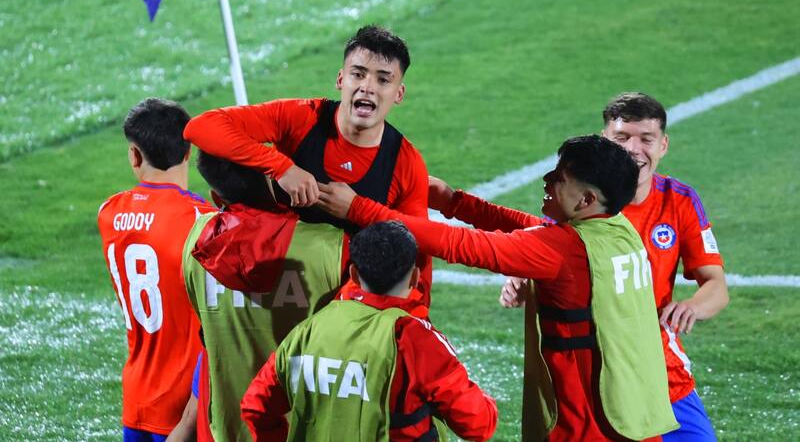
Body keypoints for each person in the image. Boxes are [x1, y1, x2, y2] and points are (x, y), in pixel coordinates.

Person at [318, 135, 679, 441]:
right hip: (636, 413)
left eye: (559, 177)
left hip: (588, 422)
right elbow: (531, 228)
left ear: (585, 200)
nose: (547, 178)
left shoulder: (564, 251)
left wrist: (358, 208)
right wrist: (454, 202)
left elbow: (458, 245)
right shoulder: (618, 229)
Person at [447, 93, 726, 440]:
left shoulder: (679, 200)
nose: (633, 149)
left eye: (646, 139)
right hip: (602, 378)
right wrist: (526, 280)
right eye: (622, 138)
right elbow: (544, 245)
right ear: (604, 141)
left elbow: (716, 285)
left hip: (664, 372)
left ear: (663, 145)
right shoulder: (580, 205)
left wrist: (690, 308)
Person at [183, 25, 432, 308]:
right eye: (358, 74)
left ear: (398, 94)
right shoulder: (301, 118)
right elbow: (200, 127)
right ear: (341, 79)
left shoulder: (406, 162)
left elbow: (416, 250)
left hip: (345, 306)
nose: (368, 87)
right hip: (281, 292)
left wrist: (356, 209)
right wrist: (281, 167)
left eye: (383, 80)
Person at [241, 221, 498, 442]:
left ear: (353, 273)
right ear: (414, 277)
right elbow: (478, 424)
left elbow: (256, 406)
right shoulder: (413, 338)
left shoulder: (309, 329)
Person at [180, 151, 347, 441]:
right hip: (303, 427)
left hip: (230, 427)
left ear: (217, 199)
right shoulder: (329, 247)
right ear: (273, 177)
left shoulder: (196, 243)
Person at [97, 98, 216, 441]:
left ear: (135, 155)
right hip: (187, 404)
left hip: (137, 398)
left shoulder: (109, 213)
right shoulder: (203, 221)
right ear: (186, 153)